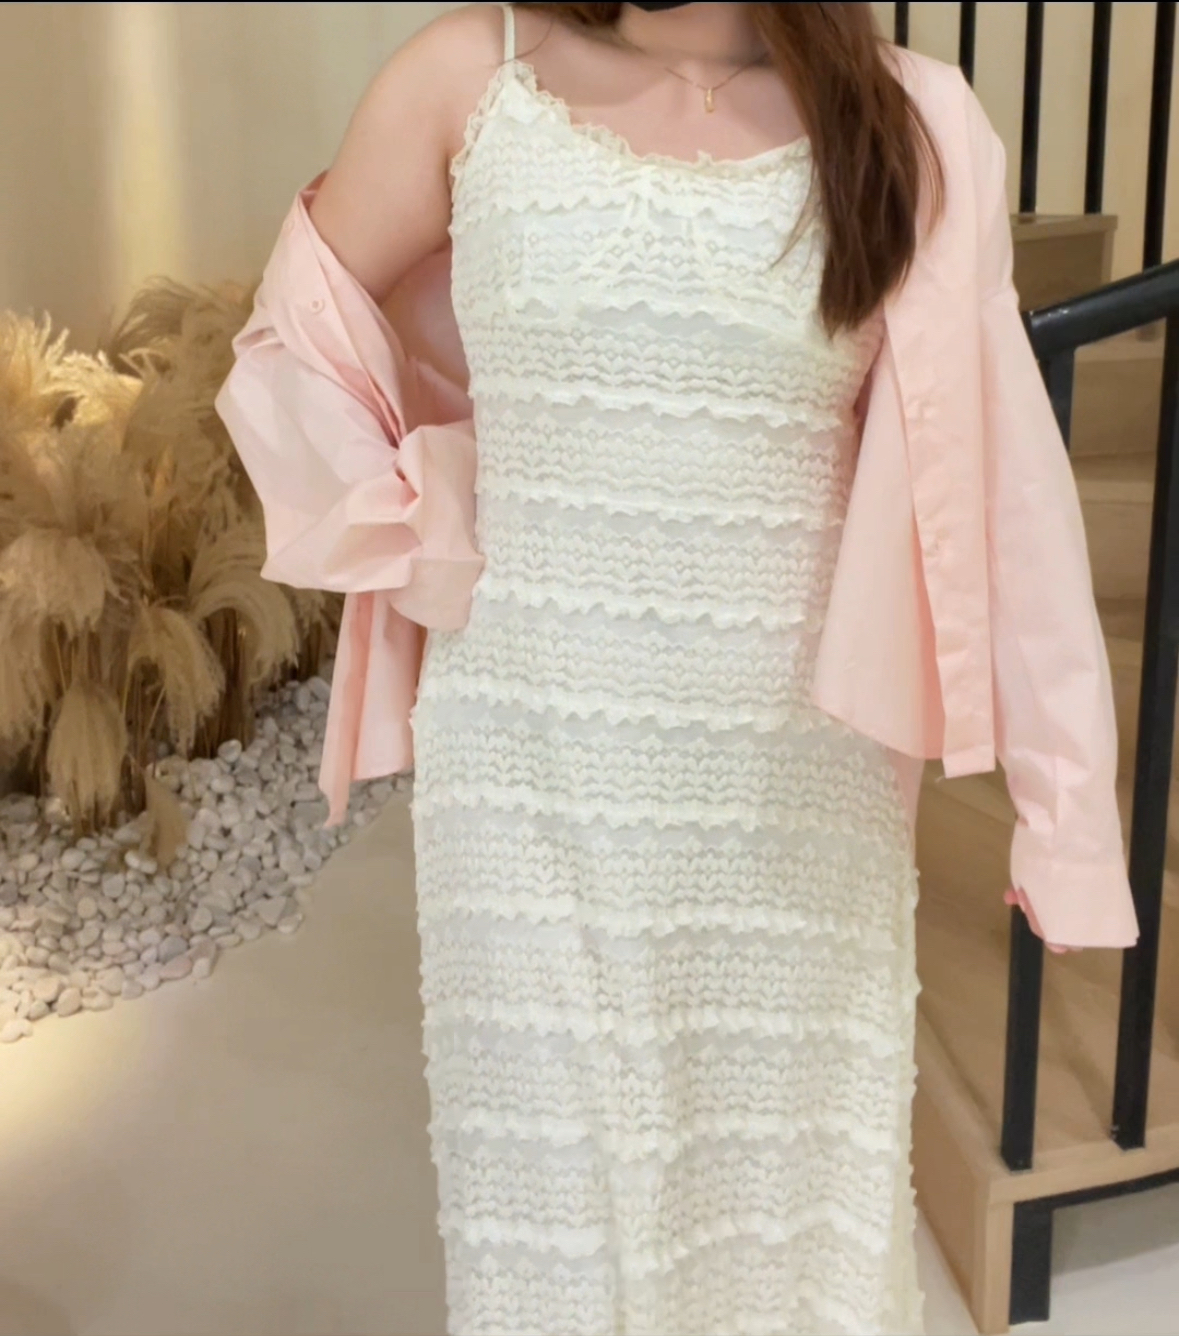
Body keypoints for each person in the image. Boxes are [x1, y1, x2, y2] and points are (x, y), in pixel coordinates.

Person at [216, 4, 1140, 1333]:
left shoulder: (911, 121)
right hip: (529, 764)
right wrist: (414, 522)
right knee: (553, 1205)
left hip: (796, 785)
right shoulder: (469, 78)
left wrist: (1066, 814)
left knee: (785, 1201)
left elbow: (1006, 483)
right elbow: (294, 335)